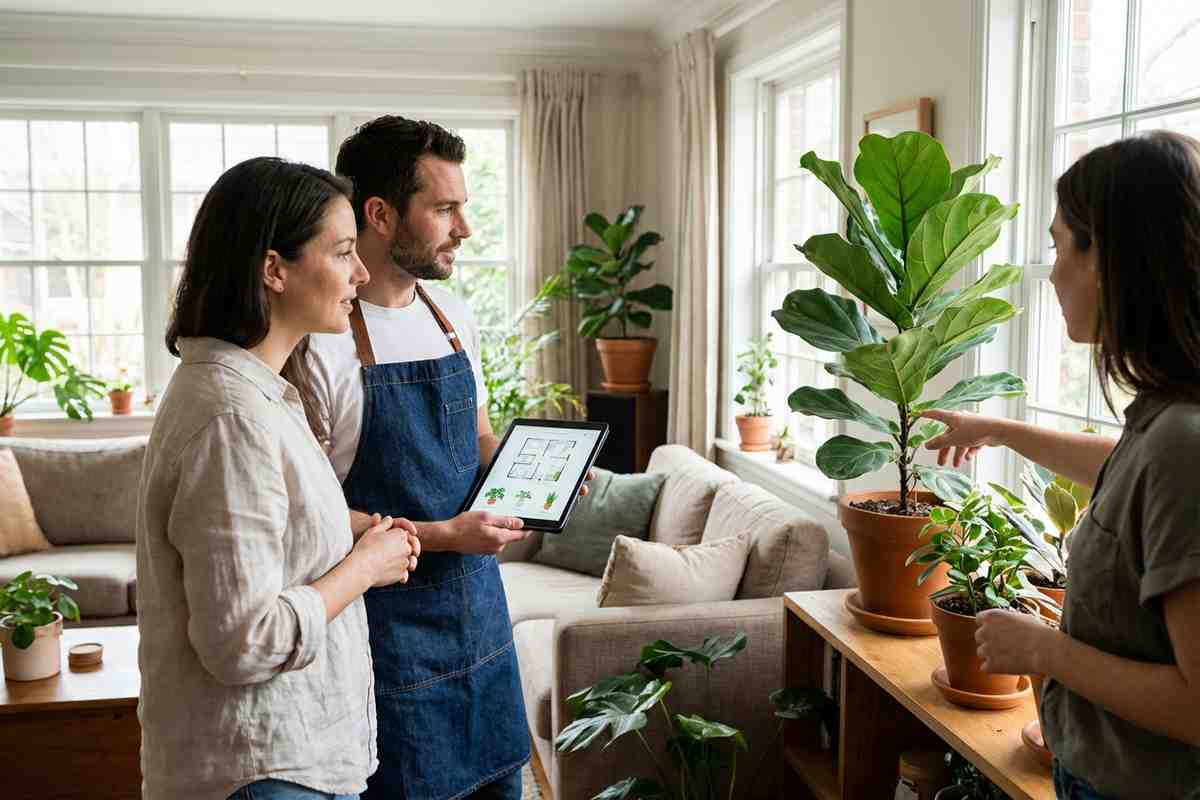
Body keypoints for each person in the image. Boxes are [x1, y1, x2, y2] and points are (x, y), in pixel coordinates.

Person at [921, 131, 1200, 800]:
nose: (1050, 272)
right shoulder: (1168, 417)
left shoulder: (1183, 441)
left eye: (1058, 245)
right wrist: (1001, 430)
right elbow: (1129, 471)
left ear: (1108, 258)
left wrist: (1044, 650)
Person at [136, 156, 421, 800]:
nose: (362, 272)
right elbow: (242, 639)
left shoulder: (257, 394)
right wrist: (365, 567)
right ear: (274, 269)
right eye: (344, 251)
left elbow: (265, 526)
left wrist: (353, 529)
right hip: (262, 774)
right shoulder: (230, 416)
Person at [307, 117, 531, 800]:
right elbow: (311, 514)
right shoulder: (320, 344)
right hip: (385, 636)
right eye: (444, 208)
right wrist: (440, 536)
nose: (464, 228)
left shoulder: (452, 314)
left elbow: (481, 441)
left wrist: (533, 479)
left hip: (482, 617)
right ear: (379, 214)